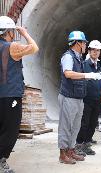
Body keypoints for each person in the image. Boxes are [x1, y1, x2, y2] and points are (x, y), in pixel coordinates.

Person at [0, 16, 39, 173]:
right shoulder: (12, 47)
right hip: (10, 95)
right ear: (9, 31)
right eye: (13, 31)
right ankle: (1, 161)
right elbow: (34, 47)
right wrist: (24, 33)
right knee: (10, 130)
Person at [58, 31, 101, 164]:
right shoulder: (68, 57)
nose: (85, 45)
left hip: (78, 97)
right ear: (77, 43)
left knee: (75, 126)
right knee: (66, 126)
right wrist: (87, 75)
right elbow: (68, 73)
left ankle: (71, 150)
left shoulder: (79, 58)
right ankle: (63, 153)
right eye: (84, 43)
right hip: (68, 97)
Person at [76, 40, 101, 155]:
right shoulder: (84, 64)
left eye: (97, 50)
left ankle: (87, 144)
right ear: (89, 51)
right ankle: (78, 145)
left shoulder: (100, 67)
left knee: (93, 123)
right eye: (93, 50)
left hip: (97, 100)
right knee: (84, 123)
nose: (95, 52)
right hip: (86, 99)